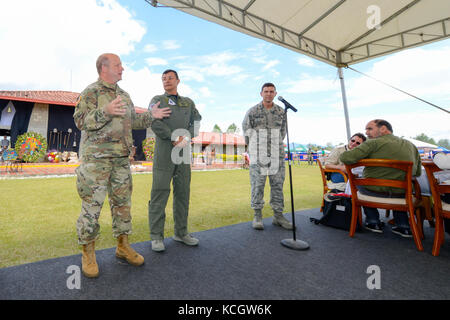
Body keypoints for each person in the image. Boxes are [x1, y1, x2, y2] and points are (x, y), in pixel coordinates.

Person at [73, 53, 171, 278]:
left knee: (122, 205)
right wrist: (104, 112)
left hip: (120, 161)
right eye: (118, 65)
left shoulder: (124, 96)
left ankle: (122, 246)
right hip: (96, 162)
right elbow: (80, 121)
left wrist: (151, 116)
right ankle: (88, 253)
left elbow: (132, 122)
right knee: (91, 208)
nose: (122, 68)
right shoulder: (91, 92)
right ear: (104, 68)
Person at [147, 69, 202, 252]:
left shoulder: (188, 102)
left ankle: (181, 233)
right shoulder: (157, 100)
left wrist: (187, 137)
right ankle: (156, 236)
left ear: (178, 80)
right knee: (159, 193)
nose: (166, 81)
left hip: (183, 152)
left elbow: (197, 121)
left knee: (183, 193)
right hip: (165, 151)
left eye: (170, 78)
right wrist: (173, 137)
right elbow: (154, 122)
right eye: (163, 78)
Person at [340, 119, 421, 237]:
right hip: (401, 194)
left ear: (383, 128)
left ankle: (373, 222)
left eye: (370, 129)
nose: (366, 133)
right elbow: (417, 172)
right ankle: (403, 225)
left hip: (373, 192)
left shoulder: (372, 143)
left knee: (358, 183)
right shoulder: (411, 145)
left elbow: (346, 157)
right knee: (402, 188)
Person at [242, 82, 293, 230]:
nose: (268, 94)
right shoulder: (253, 111)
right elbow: (246, 130)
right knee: (258, 185)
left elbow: (283, 132)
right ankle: (257, 216)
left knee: (277, 185)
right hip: (258, 155)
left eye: (271, 91)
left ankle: (278, 216)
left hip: (276, 154)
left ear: (275, 94)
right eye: (266, 91)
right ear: (261, 94)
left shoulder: (281, 112)